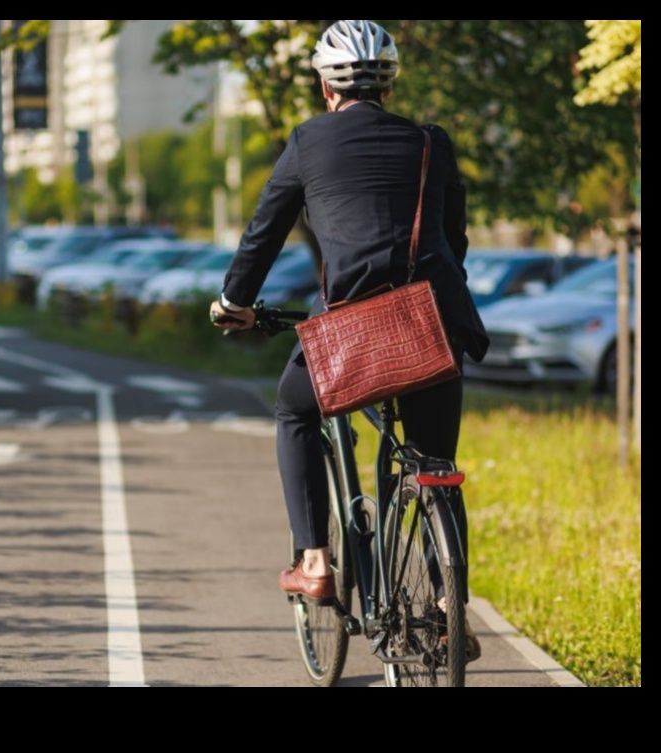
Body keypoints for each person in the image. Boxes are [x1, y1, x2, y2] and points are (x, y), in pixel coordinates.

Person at [209, 20, 488, 658]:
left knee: (294, 410)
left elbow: (265, 231)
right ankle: (450, 605)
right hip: (432, 329)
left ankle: (314, 560)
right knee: (434, 465)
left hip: (351, 336)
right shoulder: (429, 142)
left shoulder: (308, 142)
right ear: (389, 81)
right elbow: (453, 238)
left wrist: (236, 301)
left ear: (324, 83)